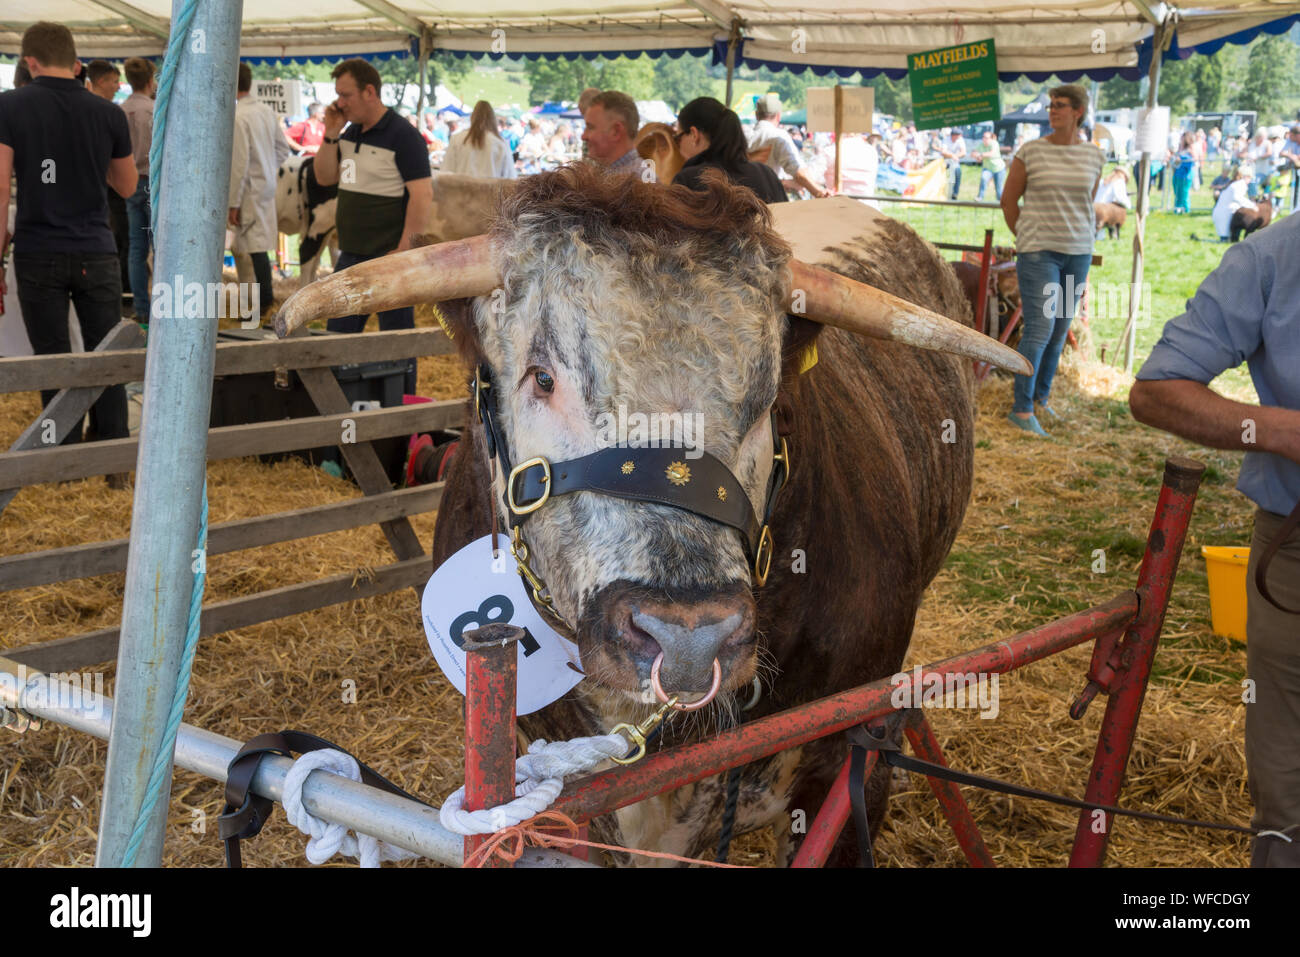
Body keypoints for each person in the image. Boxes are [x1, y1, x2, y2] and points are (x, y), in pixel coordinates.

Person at [1128, 212, 1300, 868]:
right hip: (1294, 549)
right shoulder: (1270, 258)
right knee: (1287, 795)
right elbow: (1156, 391)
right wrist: (1281, 430)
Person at [0, 22, 135, 466]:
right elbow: (128, 185)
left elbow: (1, 190)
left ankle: (60, 459)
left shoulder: (9, 106)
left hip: (38, 249)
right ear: (75, 62)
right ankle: (113, 454)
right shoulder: (108, 113)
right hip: (96, 248)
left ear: (29, 62)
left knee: (52, 359)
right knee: (107, 356)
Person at [313, 58, 432, 397]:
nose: (339, 102)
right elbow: (324, 177)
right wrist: (331, 134)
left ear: (369, 91)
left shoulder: (404, 136)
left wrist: (405, 249)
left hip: (388, 255)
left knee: (395, 340)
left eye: (345, 94)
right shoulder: (349, 133)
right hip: (351, 254)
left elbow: (422, 194)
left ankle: (403, 405)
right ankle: (336, 402)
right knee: (338, 336)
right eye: (337, 95)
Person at [1000, 84, 1105, 437]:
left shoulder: (1094, 156)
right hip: (1039, 251)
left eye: (1060, 106)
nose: (1052, 111)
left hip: (1078, 252)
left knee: (1061, 326)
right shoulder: (1030, 152)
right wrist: (1026, 236)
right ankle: (1022, 408)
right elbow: (1009, 201)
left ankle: (1042, 399)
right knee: (1041, 327)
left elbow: (1086, 203)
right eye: (1051, 105)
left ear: (1078, 112)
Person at [228, 62, 282, 323]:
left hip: (248, 188)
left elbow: (238, 164)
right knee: (259, 246)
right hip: (265, 185)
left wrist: (233, 203)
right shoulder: (265, 111)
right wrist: (269, 169)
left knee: (253, 248)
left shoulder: (239, 117)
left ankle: (261, 304)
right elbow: (283, 149)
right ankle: (263, 301)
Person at [84, 59, 132, 314]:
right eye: (114, 81)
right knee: (124, 239)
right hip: (105, 193)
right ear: (100, 81)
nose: (117, 86)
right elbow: (127, 182)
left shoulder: (112, 111)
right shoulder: (110, 114)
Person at [671, 97, 785, 203]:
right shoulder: (767, 175)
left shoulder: (686, 181)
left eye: (678, 138)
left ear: (694, 135)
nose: (678, 145)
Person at [120, 57, 155, 322]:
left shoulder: (120, 110)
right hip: (153, 180)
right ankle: (162, 305)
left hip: (131, 180)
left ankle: (142, 308)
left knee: (136, 247)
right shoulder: (155, 110)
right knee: (160, 247)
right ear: (150, 81)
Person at [748, 94, 828, 198]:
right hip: (769, 202)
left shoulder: (744, 136)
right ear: (778, 116)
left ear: (756, 115)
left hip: (746, 199)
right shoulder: (778, 136)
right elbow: (799, 173)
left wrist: (783, 182)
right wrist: (819, 192)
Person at [442, 100, 516, 179]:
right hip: (491, 190)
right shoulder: (501, 144)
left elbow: (446, 172)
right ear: (493, 119)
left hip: (462, 189)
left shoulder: (456, 139)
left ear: (472, 117)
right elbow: (510, 178)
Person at [582, 90, 641, 173]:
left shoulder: (635, 181)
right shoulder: (618, 175)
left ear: (616, 132)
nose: (583, 136)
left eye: (590, 127)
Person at [1212, 163, 1258, 242]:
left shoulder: (1235, 183)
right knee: (1225, 240)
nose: (1250, 181)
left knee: (1228, 239)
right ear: (1246, 176)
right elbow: (1238, 198)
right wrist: (1252, 206)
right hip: (1225, 214)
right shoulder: (1240, 184)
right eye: (1250, 178)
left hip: (1223, 213)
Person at [975, 130, 1006, 201]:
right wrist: (977, 156)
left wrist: (980, 155)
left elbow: (991, 154)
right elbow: (973, 153)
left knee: (998, 188)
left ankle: (1001, 202)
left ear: (991, 138)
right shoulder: (981, 144)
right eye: (983, 137)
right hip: (987, 169)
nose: (984, 139)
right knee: (983, 179)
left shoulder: (994, 143)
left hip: (999, 169)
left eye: (986, 137)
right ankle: (980, 197)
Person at [935, 128, 967, 199]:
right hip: (945, 161)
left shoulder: (960, 140)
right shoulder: (946, 140)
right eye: (958, 135)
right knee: (940, 174)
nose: (960, 136)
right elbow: (943, 152)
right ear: (954, 135)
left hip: (954, 161)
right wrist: (952, 156)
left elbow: (963, 152)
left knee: (958, 172)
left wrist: (955, 156)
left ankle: (955, 193)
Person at [1171, 131, 1196, 214]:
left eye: (1182, 138)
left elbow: (1192, 160)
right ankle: (1177, 209)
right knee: (1177, 193)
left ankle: (1186, 210)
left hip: (1185, 175)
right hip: (1177, 173)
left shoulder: (1190, 150)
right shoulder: (1179, 149)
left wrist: (1181, 160)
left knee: (1184, 193)